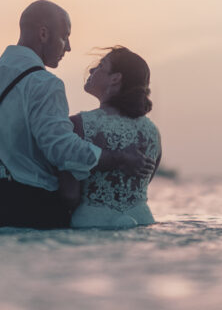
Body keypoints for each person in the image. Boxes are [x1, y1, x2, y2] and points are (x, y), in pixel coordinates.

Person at [0, 1, 156, 228]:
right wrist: (118, 158)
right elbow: (61, 149)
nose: (68, 47)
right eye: (65, 36)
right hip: (36, 208)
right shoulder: (44, 83)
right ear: (44, 34)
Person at [62, 46, 161, 229]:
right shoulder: (152, 132)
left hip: (92, 223)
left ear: (115, 78)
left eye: (100, 65)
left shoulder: (78, 125)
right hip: (142, 221)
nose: (91, 70)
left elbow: (70, 195)